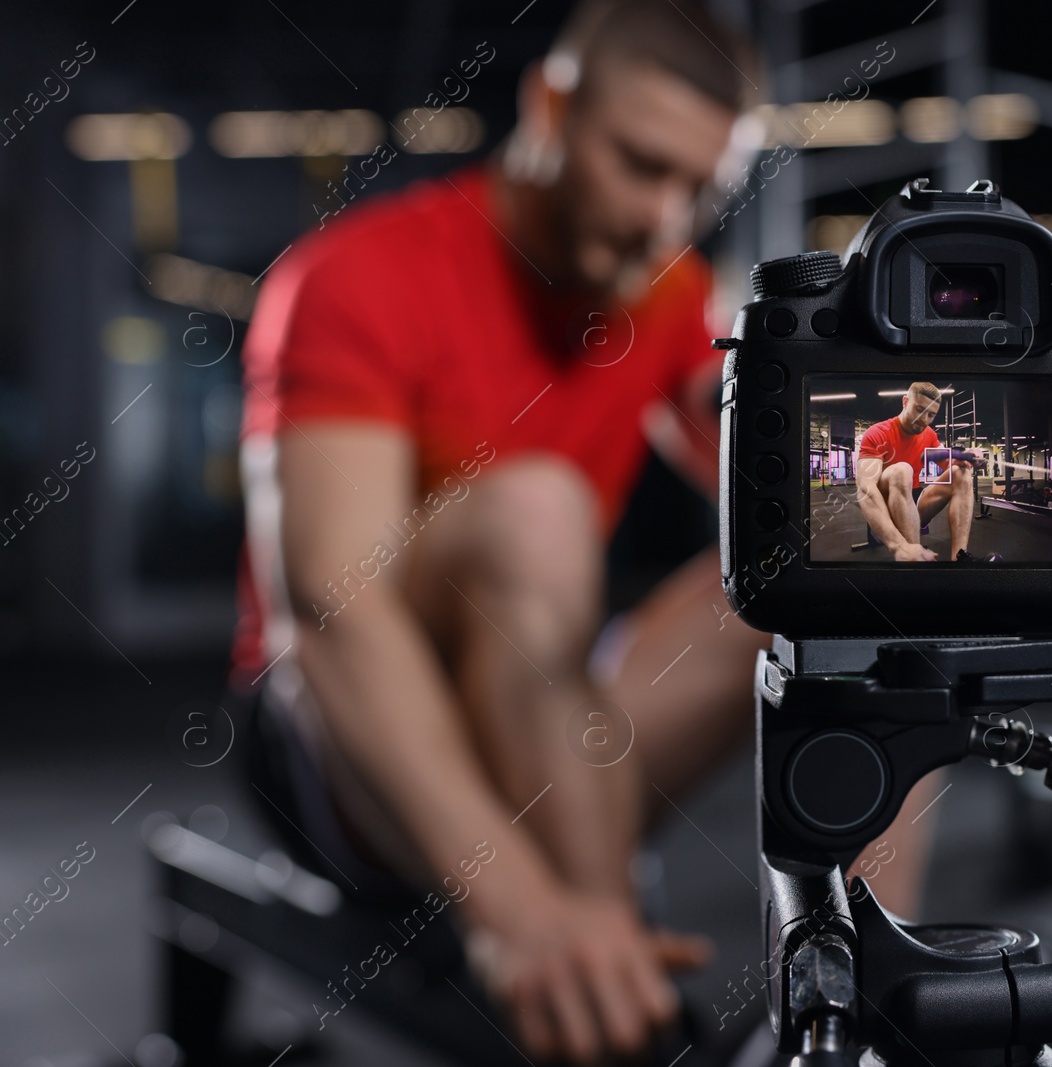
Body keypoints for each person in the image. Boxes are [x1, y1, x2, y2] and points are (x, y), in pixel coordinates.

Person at [234, 1, 944, 1062]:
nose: (664, 218)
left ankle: (855, 1014)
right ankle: (613, 1003)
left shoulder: (661, 289)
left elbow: (784, 480)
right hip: (333, 740)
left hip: (542, 712)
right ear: (550, 106)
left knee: (866, 574)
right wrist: (525, 912)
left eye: (697, 191)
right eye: (639, 166)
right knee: (537, 507)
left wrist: (904, 468)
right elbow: (333, 614)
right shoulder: (351, 279)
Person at [854, 382, 987, 562]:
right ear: (905, 402)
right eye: (919, 410)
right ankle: (913, 560)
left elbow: (951, 461)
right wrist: (899, 546)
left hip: (914, 507)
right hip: (886, 513)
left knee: (960, 472)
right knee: (902, 470)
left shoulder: (929, 434)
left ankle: (960, 557)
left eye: (931, 415)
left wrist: (969, 457)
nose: (924, 420)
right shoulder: (878, 433)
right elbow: (865, 490)